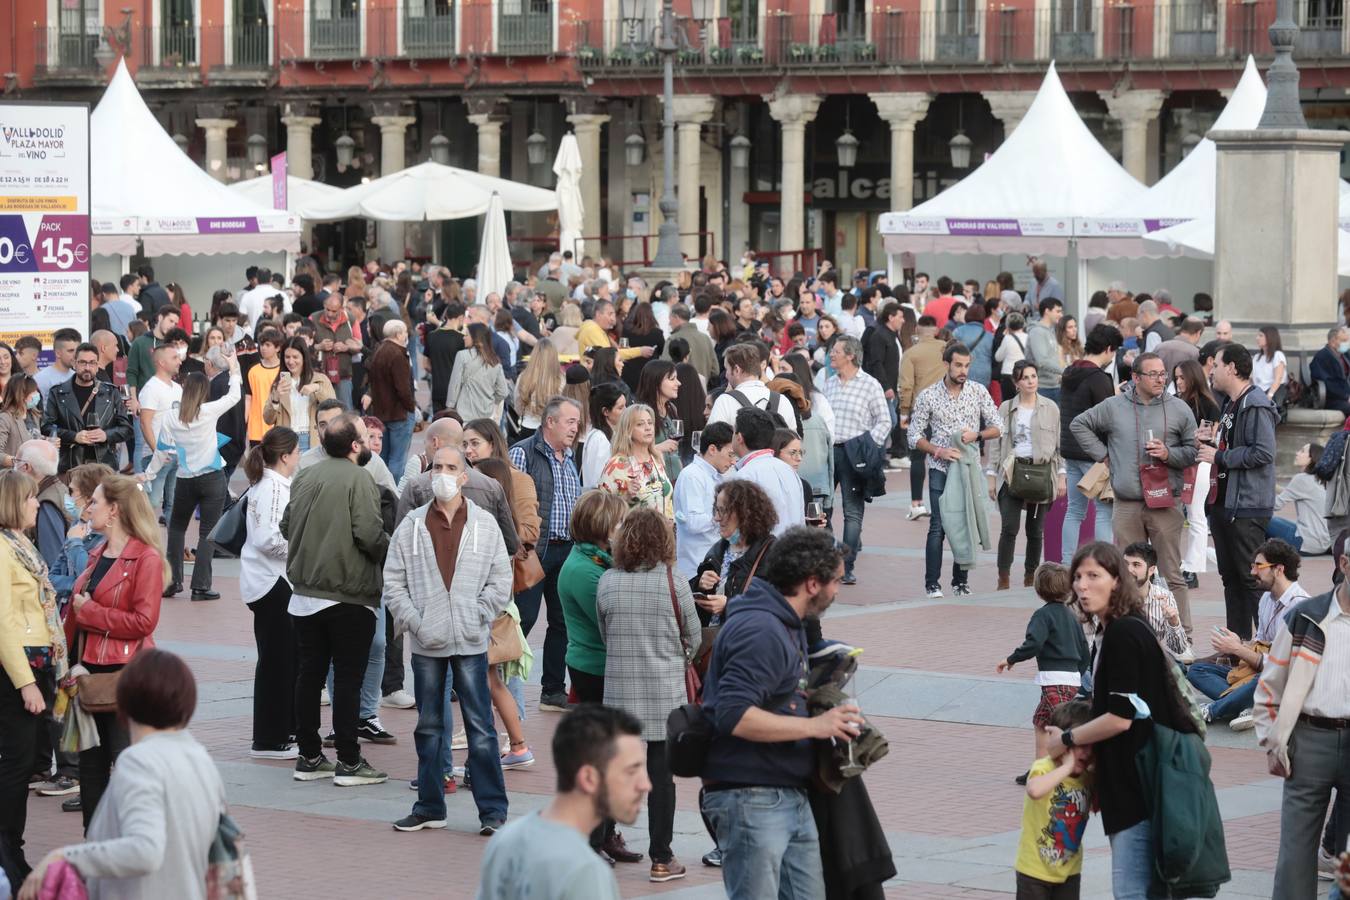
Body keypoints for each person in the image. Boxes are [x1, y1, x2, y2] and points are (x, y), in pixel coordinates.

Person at [698, 526, 863, 900]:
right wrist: (816, 725)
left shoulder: (785, 624)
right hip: (751, 796)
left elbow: (775, 699)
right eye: (835, 581)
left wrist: (826, 710)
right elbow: (734, 715)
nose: (838, 590)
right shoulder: (760, 629)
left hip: (785, 790)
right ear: (811, 583)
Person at [1042, 542, 1197, 898]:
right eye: (1077, 576)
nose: (1082, 585)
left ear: (1116, 581)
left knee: (1131, 892)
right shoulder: (1113, 630)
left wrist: (1066, 740)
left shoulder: (1123, 633)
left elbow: (1121, 717)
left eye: (1093, 575)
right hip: (1134, 782)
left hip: (1138, 787)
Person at [17, 650, 225, 900]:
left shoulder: (140, 761)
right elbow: (225, 850)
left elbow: (145, 850)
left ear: (125, 704)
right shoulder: (199, 758)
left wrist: (65, 857)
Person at [385, 445, 513, 835]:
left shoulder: (485, 524)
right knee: (428, 726)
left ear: (464, 476)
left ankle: (493, 812)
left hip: (471, 641)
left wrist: (478, 613)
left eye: (450, 467)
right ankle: (429, 805)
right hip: (427, 642)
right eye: (436, 466)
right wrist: (415, 621)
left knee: (480, 727)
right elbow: (393, 581)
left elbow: (500, 579)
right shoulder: (411, 525)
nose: (441, 473)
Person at [283, 412, 390, 787]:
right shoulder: (359, 478)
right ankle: (348, 759)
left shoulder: (306, 475)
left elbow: (286, 523)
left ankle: (310, 755)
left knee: (309, 676)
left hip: (304, 593)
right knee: (347, 679)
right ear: (356, 446)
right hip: (347, 592)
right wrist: (388, 552)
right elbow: (368, 532)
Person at [595, 508, 698, 883]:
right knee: (661, 776)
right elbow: (694, 637)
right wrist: (675, 656)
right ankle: (661, 857)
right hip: (664, 691)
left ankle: (595, 843)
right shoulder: (675, 580)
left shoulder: (607, 581)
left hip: (620, 690)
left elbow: (604, 632)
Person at [64, 475, 167, 830]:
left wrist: (89, 612)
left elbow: (144, 622)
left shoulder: (145, 558)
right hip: (90, 675)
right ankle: (94, 843)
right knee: (91, 767)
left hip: (125, 675)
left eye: (94, 501)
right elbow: (76, 614)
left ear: (114, 511)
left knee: (125, 763)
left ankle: (132, 839)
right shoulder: (96, 553)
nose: (87, 507)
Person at [1070, 352, 1198, 631]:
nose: (1160, 379)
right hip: (1127, 502)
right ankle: (1132, 630)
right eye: (1153, 374)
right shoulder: (1114, 406)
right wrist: (1104, 456)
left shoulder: (1179, 408)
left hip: (1165, 502)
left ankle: (1183, 636)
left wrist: (1168, 453)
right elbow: (1078, 424)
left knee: (1172, 573)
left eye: (1163, 374)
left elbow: (1192, 451)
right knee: (1127, 573)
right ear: (1135, 378)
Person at [1255, 530, 1350, 897]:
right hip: (1309, 739)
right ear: (1344, 564)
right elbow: (1270, 683)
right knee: (1296, 855)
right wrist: (1273, 739)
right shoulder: (1307, 616)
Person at [476, 704, 646, 900]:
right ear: (589, 778)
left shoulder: (506, 839)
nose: (645, 784)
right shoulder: (586, 871)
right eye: (631, 771)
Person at [554, 489, 639, 862]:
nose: (623, 529)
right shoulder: (585, 571)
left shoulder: (597, 561)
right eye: (618, 522)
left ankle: (606, 833)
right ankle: (592, 838)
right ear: (601, 526)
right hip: (595, 668)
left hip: (599, 665)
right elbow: (612, 622)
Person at [0, 470, 68, 888]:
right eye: (28, 499)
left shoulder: (20, 545)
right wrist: (25, 683)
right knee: (17, 763)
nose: (35, 505)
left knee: (23, 762)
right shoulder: (3, 550)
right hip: (17, 669)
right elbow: (4, 622)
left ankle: (11, 847)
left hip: (38, 663)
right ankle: (8, 851)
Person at [142, 353, 242, 602]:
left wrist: (149, 474)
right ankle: (200, 586)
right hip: (212, 479)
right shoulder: (208, 411)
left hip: (185, 480)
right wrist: (234, 369)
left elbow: (162, 452)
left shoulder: (170, 418)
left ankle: (172, 582)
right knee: (207, 532)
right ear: (204, 392)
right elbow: (234, 396)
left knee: (176, 529)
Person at [910, 341, 1002, 599]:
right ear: (947, 364)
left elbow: (998, 426)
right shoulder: (928, 395)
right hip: (940, 467)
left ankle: (960, 582)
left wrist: (977, 435)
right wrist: (937, 451)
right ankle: (932, 584)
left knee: (966, 522)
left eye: (967, 366)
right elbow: (913, 435)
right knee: (938, 525)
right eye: (958, 365)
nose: (963, 370)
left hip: (968, 468)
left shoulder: (978, 391)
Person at [510, 397, 584, 713]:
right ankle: (499, 679)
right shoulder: (523, 451)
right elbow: (510, 502)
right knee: (523, 618)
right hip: (533, 551)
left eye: (577, 423)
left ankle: (552, 690)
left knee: (562, 622)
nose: (575, 428)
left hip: (566, 550)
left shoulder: (570, 456)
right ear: (550, 422)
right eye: (570, 422)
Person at [1200, 343, 1278, 639]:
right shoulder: (1230, 402)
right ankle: (1239, 648)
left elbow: (1263, 453)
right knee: (1231, 579)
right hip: (1223, 502)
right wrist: (1212, 442)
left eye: (1217, 365)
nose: (1212, 371)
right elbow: (1231, 445)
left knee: (1251, 579)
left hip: (1246, 505)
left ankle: (1267, 645)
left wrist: (1220, 456)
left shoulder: (1255, 403)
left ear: (1232, 367)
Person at [1189, 538, 1306, 730]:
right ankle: (1247, 705)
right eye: (1253, 566)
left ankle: (1213, 710)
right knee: (1197, 670)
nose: (1252, 572)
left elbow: (1285, 666)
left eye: (1259, 566)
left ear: (1279, 569)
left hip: (1282, 679)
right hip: (1258, 674)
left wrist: (1237, 649)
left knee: (1266, 678)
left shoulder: (1299, 606)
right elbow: (1261, 643)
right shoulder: (1267, 599)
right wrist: (1240, 645)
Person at [239, 426, 302, 759]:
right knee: (277, 661)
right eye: (296, 451)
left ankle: (284, 730)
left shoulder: (269, 483)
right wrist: (299, 549)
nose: (299, 457)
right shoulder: (273, 486)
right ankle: (269, 737)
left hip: (268, 582)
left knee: (284, 658)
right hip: (270, 582)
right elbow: (268, 539)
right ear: (285, 455)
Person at [996, 562, 1088, 781]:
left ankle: (1056, 770)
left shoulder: (1042, 615)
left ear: (1038, 590)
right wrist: (1077, 672)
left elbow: (1033, 643)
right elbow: (1085, 649)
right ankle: (1039, 767)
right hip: (1071, 678)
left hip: (1054, 680)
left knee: (1058, 726)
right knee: (1042, 722)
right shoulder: (1072, 615)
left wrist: (1011, 659)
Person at [987, 361, 1065, 590]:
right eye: (1025, 378)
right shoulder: (1006, 408)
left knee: (1036, 531)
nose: (1031, 381)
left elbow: (1060, 447)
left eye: (1033, 376)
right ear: (1016, 383)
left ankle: (1030, 577)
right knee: (1009, 528)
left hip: (1041, 473)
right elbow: (995, 445)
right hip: (1012, 472)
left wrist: (1061, 476)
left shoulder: (1051, 408)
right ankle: (1003, 577)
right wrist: (991, 476)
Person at [822, 335, 889, 585]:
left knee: (852, 512)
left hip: (855, 452)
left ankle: (846, 566)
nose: (831, 355)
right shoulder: (828, 384)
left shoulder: (870, 384)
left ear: (850, 355)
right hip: (830, 452)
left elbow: (884, 420)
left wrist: (869, 447)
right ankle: (831, 557)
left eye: (836, 351)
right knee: (822, 509)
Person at [1014, 700, 1095, 898]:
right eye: (1079, 745)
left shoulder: (1087, 776)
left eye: (1090, 746)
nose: (1085, 752)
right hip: (1034, 871)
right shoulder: (1045, 767)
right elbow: (1034, 790)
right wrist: (1066, 767)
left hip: (1069, 871)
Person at [1058, 325, 1122, 559]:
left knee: (1075, 511)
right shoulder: (1099, 378)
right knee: (1105, 511)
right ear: (1108, 349)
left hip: (1071, 451)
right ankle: (1105, 563)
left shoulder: (1068, 373)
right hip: (1095, 455)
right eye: (1113, 352)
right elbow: (1108, 419)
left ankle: (1066, 563)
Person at [692, 479, 778, 627]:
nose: (717, 518)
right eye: (716, 510)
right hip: (716, 644)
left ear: (745, 514)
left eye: (723, 510)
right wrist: (699, 584)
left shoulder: (771, 552)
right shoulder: (717, 550)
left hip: (747, 643)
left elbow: (776, 605)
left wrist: (729, 606)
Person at [42, 343, 132, 474]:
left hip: (104, 465)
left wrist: (106, 435)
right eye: (83, 363)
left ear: (97, 365)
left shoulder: (111, 392)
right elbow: (47, 427)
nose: (87, 368)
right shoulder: (58, 392)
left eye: (92, 363)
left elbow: (127, 429)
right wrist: (74, 436)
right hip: (71, 464)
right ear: (75, 364)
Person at [726, 407, 804, 536]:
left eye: (733, 432)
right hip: (792, 549)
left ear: (739, 437)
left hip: (763, 552)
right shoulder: (787, 470)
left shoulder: (744, 475)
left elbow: (740, 527)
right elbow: (800, 520)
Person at [673, 421, 734, 581]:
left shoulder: (720, 476)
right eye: (730, 454)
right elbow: (692, 522)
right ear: (712, 449)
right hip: (696, 569)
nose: (733, 461)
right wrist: (725, 517)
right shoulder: (692, 476)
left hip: (716, 565)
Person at [134, 343, 182, 524]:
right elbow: (145, 422)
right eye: (174, 358)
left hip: (176, 454)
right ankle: (138, 543)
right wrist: (157, 450)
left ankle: (175, 550)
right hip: (157, 455)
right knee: (150, 502)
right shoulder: (151, 388)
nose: (179, 361)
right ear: (162, 363)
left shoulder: (177, 388)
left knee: (173, 504)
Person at [1121, 541, 1192, 662]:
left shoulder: (1164, 596)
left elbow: (1179, 649)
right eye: (1125, 564)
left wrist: (1173, 622)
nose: (1129, 569)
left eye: (1136, 564)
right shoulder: (1111, 596)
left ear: (1151, 570)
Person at [365, 319, 418, 481]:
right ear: (398, 334)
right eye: (404, 332)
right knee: (397, 459)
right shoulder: (398, 354)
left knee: (383, 456)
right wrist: (411, 407)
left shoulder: (379, 351)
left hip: (382, 411)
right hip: (399, 412)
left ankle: (381, 489)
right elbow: (403, 388)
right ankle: (393, 493)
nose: (406, 335)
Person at [598, 404, 673, 517]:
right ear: (628, 430)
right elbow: (601, 510)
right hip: (633, 532)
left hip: (665, 531)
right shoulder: (616, 465)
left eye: (650, 423)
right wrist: (624, 497)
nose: (648, 427)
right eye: (640, 424)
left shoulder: (656, 458)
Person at [707, 343, 798, 429]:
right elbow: (794, 441)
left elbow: (712, 440)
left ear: (736, 370)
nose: (726, 375)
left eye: (726, 369)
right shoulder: (782, 400)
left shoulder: (725, 401)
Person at [1270, 443, 1331, 554]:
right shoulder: (1321, 479)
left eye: (1302, 451)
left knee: (1262, 519)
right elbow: (1292, 492)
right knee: (1277, 520)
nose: (1297, 453)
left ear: (1312, 458)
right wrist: (1272, 485)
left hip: (1306, 543)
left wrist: (1253, 501)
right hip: (1323, 542)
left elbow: (1275, 505)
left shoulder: (1302, 479)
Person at [448, 323, 510, 423]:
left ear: (475, 338)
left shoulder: (462, 356)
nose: (464, 337)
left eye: (467, 335)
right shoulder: (495, 361)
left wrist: (450, 406)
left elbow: (455, 385)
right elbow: (503, 392)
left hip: (464, 414)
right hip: (487, 416)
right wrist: (491, 400)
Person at [310, 291, 361, 409]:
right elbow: (305, 345)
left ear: (341, 308)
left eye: (334, 311)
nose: (329, 314)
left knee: (345, 411)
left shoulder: (350, 319)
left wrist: (346, 347)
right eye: (327, 309)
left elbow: (359, 346)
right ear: (323, 304)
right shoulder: (313, 318)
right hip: (320, 375)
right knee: (321, 411)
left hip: (343, 375)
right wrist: (319, 347)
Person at [635, 360, 684, 481]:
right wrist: (660, 448)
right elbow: (630, 454)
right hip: (654, 482)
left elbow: (676, 452)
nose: (678, 383)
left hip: (676, 479)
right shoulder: (641, 413)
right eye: (672, 379)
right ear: (656, 382)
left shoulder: (671, 408)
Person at [513, 340, 564, 441]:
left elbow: (517, 406)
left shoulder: (524, 377)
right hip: (551, 428)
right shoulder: (560, 380)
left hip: (527, 426)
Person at [243, 329, 284, 448]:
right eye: (261, 344)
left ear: (277, 348)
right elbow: (248, 397)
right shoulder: (253, 371)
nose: (263, 348)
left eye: (268, 345)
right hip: (256, 428)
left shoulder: (284, 370)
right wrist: (244, 422)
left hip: (279, 426)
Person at [581, 383, 626, 489]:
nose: (626, 410)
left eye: (625, 405)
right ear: (606, 411)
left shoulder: (608, 435)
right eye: (620, 408)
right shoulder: (599, 439)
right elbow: (598, 481)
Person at [424, 302, 466, 416]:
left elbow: (426, 365)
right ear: (461, 317)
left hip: (437, 388)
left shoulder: (432, 335)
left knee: (438, 423)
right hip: (456, 391)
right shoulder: (462, 339)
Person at [1026, 299, 1065, 402]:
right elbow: (1042, 361)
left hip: (1054, 386)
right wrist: (1065, 371)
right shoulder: (1037, 332)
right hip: (1043, 388)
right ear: (1047, 311)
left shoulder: (1050, 331)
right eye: (1058, 311)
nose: (1061, 315)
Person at [0, 376, 39, 471]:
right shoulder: (5, 418)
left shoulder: (34, 414)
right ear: (21, 395)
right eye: (33, 392)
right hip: (13, 478)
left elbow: (32, 436)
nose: (37, 394)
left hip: (33, 475)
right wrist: (17, 462)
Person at [32, 329, 79, 403]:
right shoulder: (41, 378)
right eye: (70, 351)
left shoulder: (77, 376)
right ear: (58, 353)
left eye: (77, 351)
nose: (75, 355)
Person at [1312, 326, 1350, 415]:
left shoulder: (1346, 355)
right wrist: (1346, 396)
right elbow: (1327, 383)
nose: (1347, 344)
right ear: (1333, 342)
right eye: (1344, 341)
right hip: (1332, 399)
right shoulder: (1322, 357)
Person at [995, 312, 1029, 402]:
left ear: (1008, 325)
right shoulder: (1028, 337)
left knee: (1008, 404)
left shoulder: (1007, 338)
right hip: (1024, 374)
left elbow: (998, 357)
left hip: (1008, 375)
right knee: (1023, 402)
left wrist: (1003, 337)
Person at [1252, 325, 1288, 402]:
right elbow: (1252, 380)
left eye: (1261, 335)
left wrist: (1269, 396)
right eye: (1257, 335)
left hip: (1272, 395)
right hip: (1258, 393)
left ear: (1269, 338)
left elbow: (1278, 379)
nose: (1257, 338)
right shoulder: (1256, 357)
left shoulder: (1277, 355)